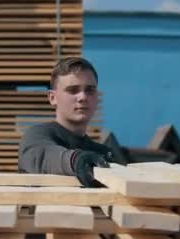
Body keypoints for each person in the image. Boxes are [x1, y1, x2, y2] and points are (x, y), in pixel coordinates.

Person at [18, 57, 112, 187]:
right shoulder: (36, 137)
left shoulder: (101, 155)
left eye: (89, 90)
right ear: (52, 98)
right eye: (73, 90)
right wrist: (75, 160)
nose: (83, 97)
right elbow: (45, 157)